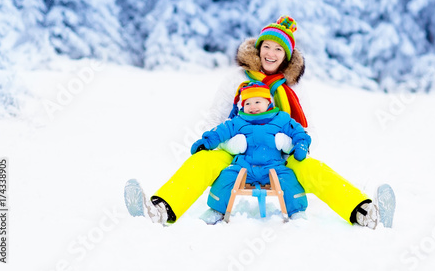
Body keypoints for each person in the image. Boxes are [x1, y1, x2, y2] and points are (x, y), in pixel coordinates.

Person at [145, 16, 378, 229]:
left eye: (278, 49)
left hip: (282, 157)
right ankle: (162, 208)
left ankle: (361, 210)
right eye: (266, 46)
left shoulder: (294, 88)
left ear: (286, 56)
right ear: (258, 49)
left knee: (314, 169)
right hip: (237, 152)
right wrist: (229, 144)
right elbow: (214, 120)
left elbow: (308, 131)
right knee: (203, 160)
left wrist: (289, 144)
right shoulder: (237, 79)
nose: (271, 53)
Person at [190, 81, 311, 218]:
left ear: (268, 102)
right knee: (225, 178)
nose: (252, 107)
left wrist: (301, 143)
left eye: (257, 102)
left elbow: (298, 132)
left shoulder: (281, 119)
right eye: (247, 103)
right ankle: (216, 210)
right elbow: (220, 132)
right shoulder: (238, 120)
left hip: (274, 166)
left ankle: (297, 211)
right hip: (244, 166)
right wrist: (207, 142)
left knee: (289, 179)